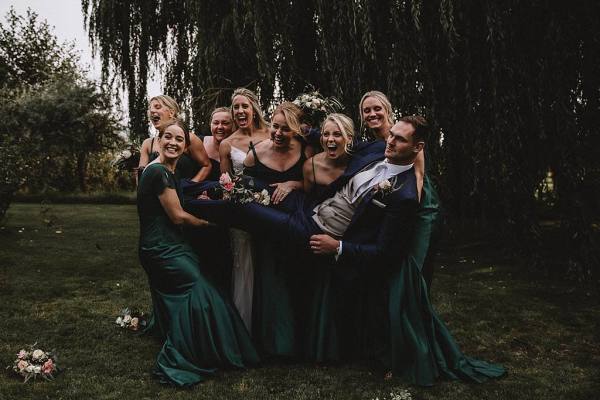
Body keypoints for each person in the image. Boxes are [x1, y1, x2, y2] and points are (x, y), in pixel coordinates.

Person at [186, 115, 505, 385]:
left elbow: (384, 253)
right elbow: (327, 135)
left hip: (314, 232)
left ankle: (179, 201)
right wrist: (298, 138)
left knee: (245, 211)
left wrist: (337, 247)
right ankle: (190, 188)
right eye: (391, 135)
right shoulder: (376, 154)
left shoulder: (405, 196)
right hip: (308, 208)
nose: (391, 142)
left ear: (418, 148)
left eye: (401, 140)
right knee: (252, 189)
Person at [137, 120, 258, 387]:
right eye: (168, 137)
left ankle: (195, 338)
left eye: (179, 140)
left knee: (203, 284)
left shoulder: (169, 172)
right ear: (158, 141)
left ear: (185, 146)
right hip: (161, 249)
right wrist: (211, 225)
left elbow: (177, 204)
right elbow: (178, 217)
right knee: (201, 291)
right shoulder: (158, 172)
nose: (173, 143)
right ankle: (191, 350)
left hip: (169, 244)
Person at [242, 102, 313, 358]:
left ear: (296, 131)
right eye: (275, 126)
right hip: (268, 229)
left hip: (297, 224)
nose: (279, 133)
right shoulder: (255, 154)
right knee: (272, 282)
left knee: (299, 280)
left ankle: (302, 343)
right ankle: (274, 344)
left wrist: (293, 183)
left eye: (286, 129)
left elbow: (316, 185)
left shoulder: (306, 151)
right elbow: (244, 188)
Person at [220, 88, 270, 332]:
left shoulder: (272, 132)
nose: (240, 111)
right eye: (236, 108)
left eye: (244, 106)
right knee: (245, 264)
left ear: (254, 108)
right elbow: (225, 181)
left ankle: (270, 326)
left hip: (274, 206)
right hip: (242, 210)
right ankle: (243, 328)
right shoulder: (227, 144)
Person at [138, 95, 212, 182]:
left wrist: (191, 185)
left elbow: (206, 165)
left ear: (171, 113)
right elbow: (141, 174)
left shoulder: (189, 138)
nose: (152, 110)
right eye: (150, 108)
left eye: (157, 107)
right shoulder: (147, 144)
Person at [203, 107, 234, 181]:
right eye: (216, 123)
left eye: (225, 123)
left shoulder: (237, 152)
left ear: (233, 126)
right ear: (210, 124)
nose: (220, 127)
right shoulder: (199, 142)